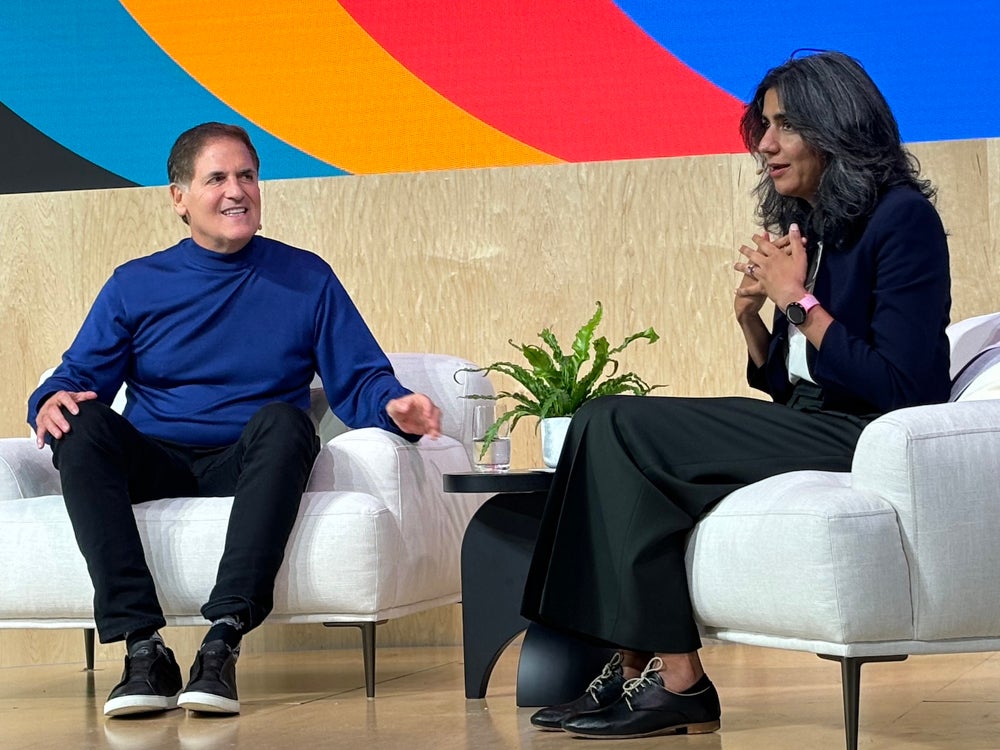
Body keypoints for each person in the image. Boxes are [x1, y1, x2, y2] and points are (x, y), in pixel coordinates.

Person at [521, 51, 951, 739]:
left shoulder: (902, 222)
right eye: (764, 127)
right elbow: (796, 382)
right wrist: (754, 321)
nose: (765, 145)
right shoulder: (815, 226)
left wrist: (799, 302)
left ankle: (680, 681)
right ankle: (637, 671)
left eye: (784, 127)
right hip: (816, 419)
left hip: (866, 434)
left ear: (836, 127)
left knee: (616, 422)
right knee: (600, 425)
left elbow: (901, 387)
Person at [27, 122, 442, 718]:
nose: (236, 190)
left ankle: (222, 642)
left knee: (287, 419)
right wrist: (50, 399)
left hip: (249, 462)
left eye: (247, 176)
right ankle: (143, 649)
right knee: (82, 426)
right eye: (217, 178)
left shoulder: (306, 277)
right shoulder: (136, 284)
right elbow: (76, 377)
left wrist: (395, 406)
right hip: (157, 458)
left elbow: (360, 378)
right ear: (179, 198)